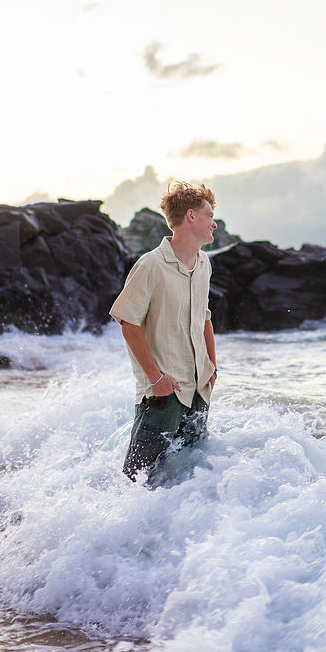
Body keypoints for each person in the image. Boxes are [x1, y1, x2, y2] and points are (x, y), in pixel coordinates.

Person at [109, 182, 219, 482]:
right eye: (210, 214)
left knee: (188, 474)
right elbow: (127, 323)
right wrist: (156, 379)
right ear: (191, 217)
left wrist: (212, 364)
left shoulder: (203, 263)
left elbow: (205, 317)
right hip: (163, 394)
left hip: (199, 390)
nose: (215, 222)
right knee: (136, 479)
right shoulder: (151, 265)